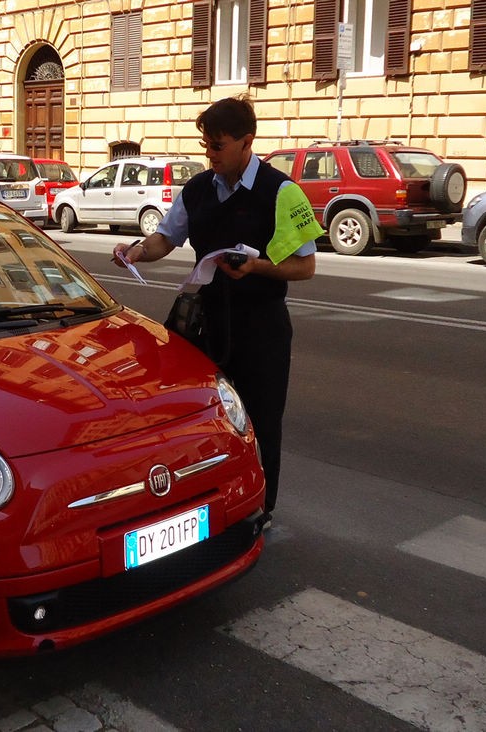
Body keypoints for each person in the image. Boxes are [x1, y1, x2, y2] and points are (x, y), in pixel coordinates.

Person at [112, 94, 322, 529]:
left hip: (260, 327)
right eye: (206, 145)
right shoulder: (197, 189)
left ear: (247, 142)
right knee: (203, 419)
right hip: (206, 323)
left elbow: (305, 266)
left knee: (262, 421)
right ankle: (210, 504)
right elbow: (164, 240)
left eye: (218, 146)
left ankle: (261, 509)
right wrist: (134, 252)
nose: (209, 155)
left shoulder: (281, 192)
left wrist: (257, 266)